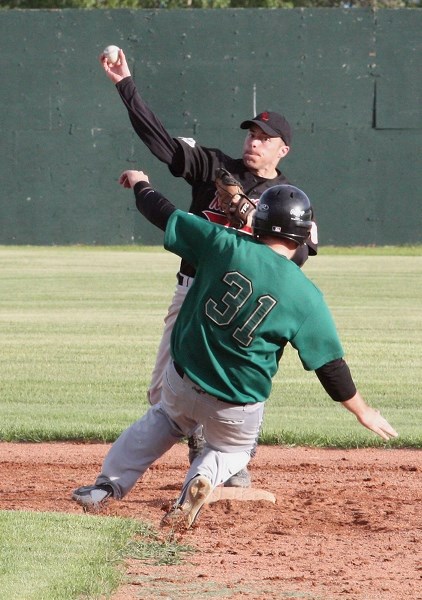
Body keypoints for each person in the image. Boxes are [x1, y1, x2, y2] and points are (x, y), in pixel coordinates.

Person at [72, 172, 398, 528]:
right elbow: (330, 367)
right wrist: (362, 412)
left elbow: (162, 212)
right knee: (231, 450)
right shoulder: (307, 297)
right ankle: (202, 480)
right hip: (236, 403)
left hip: (184, 380)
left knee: (163, 420)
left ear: (257, 222)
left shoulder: (223, 244)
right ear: (304, 236)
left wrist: (140, 184)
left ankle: (106, 487)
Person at [99, 48, 318, 487]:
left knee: (239, 378)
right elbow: (160, 143)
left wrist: (247, 217)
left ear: (283, 148)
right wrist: (126, 86)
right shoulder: (215, 166)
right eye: (251, 132)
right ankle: (205, 453)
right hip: (192, 287)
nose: (254, 140)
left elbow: (299, 254)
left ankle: (232, 457)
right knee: (163, 392)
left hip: (243, 298)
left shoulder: (288, 199)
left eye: (265, 136)